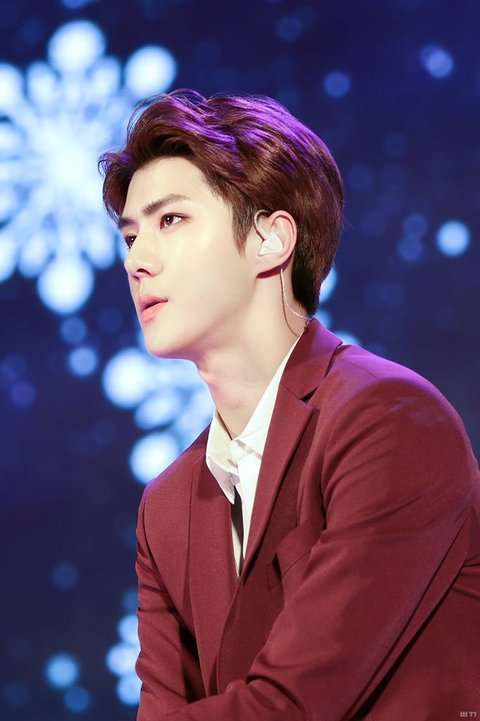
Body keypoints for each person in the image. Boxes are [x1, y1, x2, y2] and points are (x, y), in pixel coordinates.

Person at [99, 90, 480, 721]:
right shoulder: (165, 506)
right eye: (131, 236)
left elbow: (296, 704)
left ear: (271, 240)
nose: (136, 261)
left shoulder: (388, 420)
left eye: (171, 221)